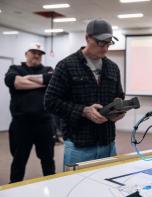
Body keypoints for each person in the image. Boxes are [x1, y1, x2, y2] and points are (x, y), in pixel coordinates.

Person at [44, 19, 125, 170]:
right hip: (79, 146)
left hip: (108, 144)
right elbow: (50, 102)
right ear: (87, 38)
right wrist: (83, 111)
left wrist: (118, 111)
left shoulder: (113, 68)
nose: (105, 48)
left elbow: (119, 96)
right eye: (101, 43)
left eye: (108, 43)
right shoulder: (66, 66)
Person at [4, 43, 55, 183]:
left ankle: (54, 186)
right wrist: (42, 82)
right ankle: (13, 189)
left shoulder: (49, 69)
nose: (37, 55)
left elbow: (52, 81)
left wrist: (25, 78)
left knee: (48, 159)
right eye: (34, 52)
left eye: (40, 53)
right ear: (26, 53)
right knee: (19, 160)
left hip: (44, 124)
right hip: (21, 125)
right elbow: (13, 82)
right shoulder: (15, 68)